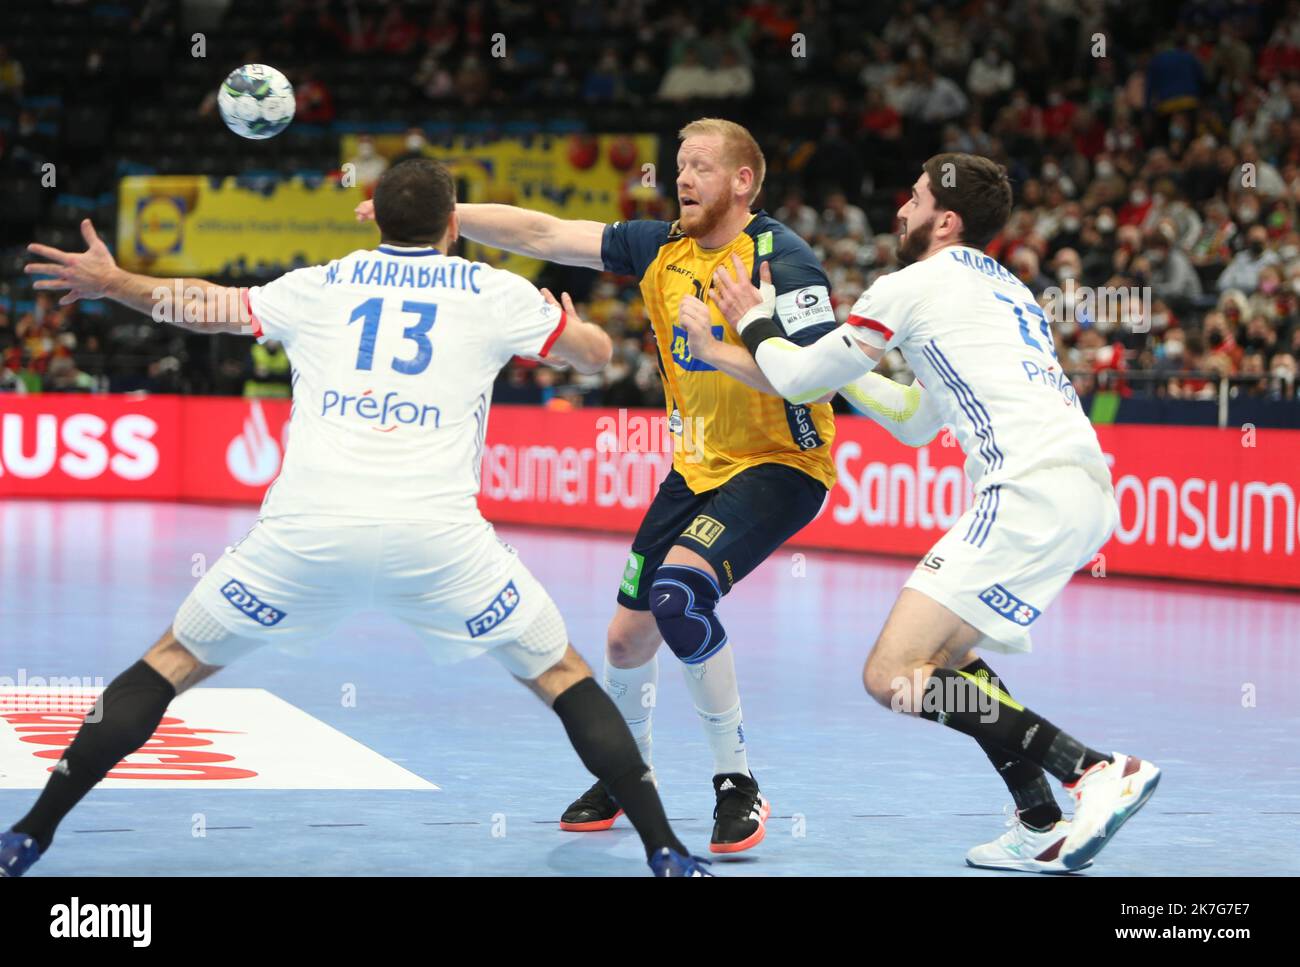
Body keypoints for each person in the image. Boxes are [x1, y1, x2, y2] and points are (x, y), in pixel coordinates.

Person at [3, 160, 710, 878]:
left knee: (170, 663)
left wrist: (115, 281)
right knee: (563, 675)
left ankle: (29, 833)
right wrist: (579, 328)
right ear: (454, 224)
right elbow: (595, 358)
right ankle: (666, 850)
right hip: (437, 543)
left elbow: (206, 306)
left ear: (377, 213)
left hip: (307, 532)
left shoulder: (321, 283)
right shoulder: (497, 293)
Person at [360, 119, 868, 853]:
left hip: (782, 463)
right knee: (627, 640)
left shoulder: (783, 260)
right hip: (695, 466)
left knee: (680, 593)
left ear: (744, 180)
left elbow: (825, 376)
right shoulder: (662, 246)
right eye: (679, 165)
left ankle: (737, 783)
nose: (682, 178)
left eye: (700, 167)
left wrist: (718, 349)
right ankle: (629, 775)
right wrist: (443, 216)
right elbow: (543, 232)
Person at [695, 152, 1161, 873]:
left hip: (1026, 489)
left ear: (946, 219)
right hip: (1084, 489)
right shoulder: (1001, 287)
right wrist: (844, 373)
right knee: (947, 659)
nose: (900, 209)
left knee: (892, 675)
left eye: (913, 198)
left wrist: (753, 321)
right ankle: (1039, 818)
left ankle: (1094, 769)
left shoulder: (911, 283)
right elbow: (915, 418)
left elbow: (792, 373)